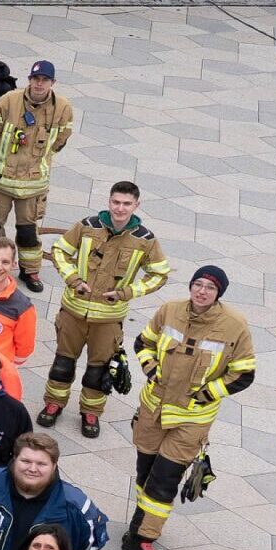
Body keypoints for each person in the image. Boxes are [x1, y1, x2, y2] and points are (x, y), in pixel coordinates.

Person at [125, 265, 251, 550]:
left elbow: (244, 372)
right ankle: (138, 526)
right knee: (146, 472)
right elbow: (143, 343)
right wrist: (151, 370)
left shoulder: (235, 326)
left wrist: (207, 394)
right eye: (198, 284)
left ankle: (144, 538)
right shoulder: (169, 310)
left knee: (165, 478)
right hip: (153, 409)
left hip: (192, 419)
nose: (202, 291)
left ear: (219, 293)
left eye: (210, 287)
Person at [41, 181, 166, 437]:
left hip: (109, 318)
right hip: (73, 311)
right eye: (116, 202)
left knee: (98, 370)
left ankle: (91, 412)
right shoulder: (87, 226)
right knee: (63, 363)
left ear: (136, 205)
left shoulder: (145, 240)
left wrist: (127, 292)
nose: (120, 208)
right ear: (109, 201)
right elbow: (59, 250)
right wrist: (73, 279)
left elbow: (159, 274)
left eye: (126, 204)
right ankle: (54, 403)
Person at [0, 59, 75, 292]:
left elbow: (61, 140)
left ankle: (30, 270)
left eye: (44, 80)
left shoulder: (63, 107)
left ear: (52, 82)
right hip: (2, 179)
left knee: (28, 231)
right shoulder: (9, 100)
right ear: (29, 80)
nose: (39, 83)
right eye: (36, 79)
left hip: (33, 184)